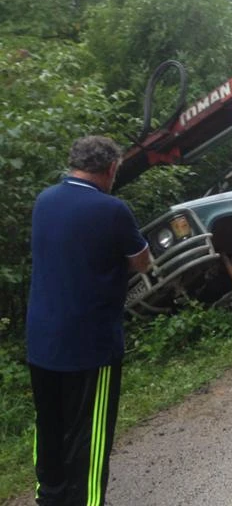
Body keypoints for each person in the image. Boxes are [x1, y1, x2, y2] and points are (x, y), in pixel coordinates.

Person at [26, 136, 151, 506]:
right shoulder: (112, 209)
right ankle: (87, 501)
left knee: (49, 423)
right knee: (90, 435)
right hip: (90, 345)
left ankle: (50, 497)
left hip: (42, 339)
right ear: (111, 169)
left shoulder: (44, 200)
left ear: (73, 163)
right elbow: (140, 259)